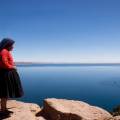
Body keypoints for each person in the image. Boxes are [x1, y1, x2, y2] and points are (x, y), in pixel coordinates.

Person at [0, 38, 24, 112]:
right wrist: (12, 67)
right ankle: (3, 110)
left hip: (6, 73)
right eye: (12, 45)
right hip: (6, 74)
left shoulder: (5, 51)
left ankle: (4, 109)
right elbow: (4, 63)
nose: (13, 47)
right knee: (4, 93)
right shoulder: (4, 51)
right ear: (8, 45)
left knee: (5, 93)